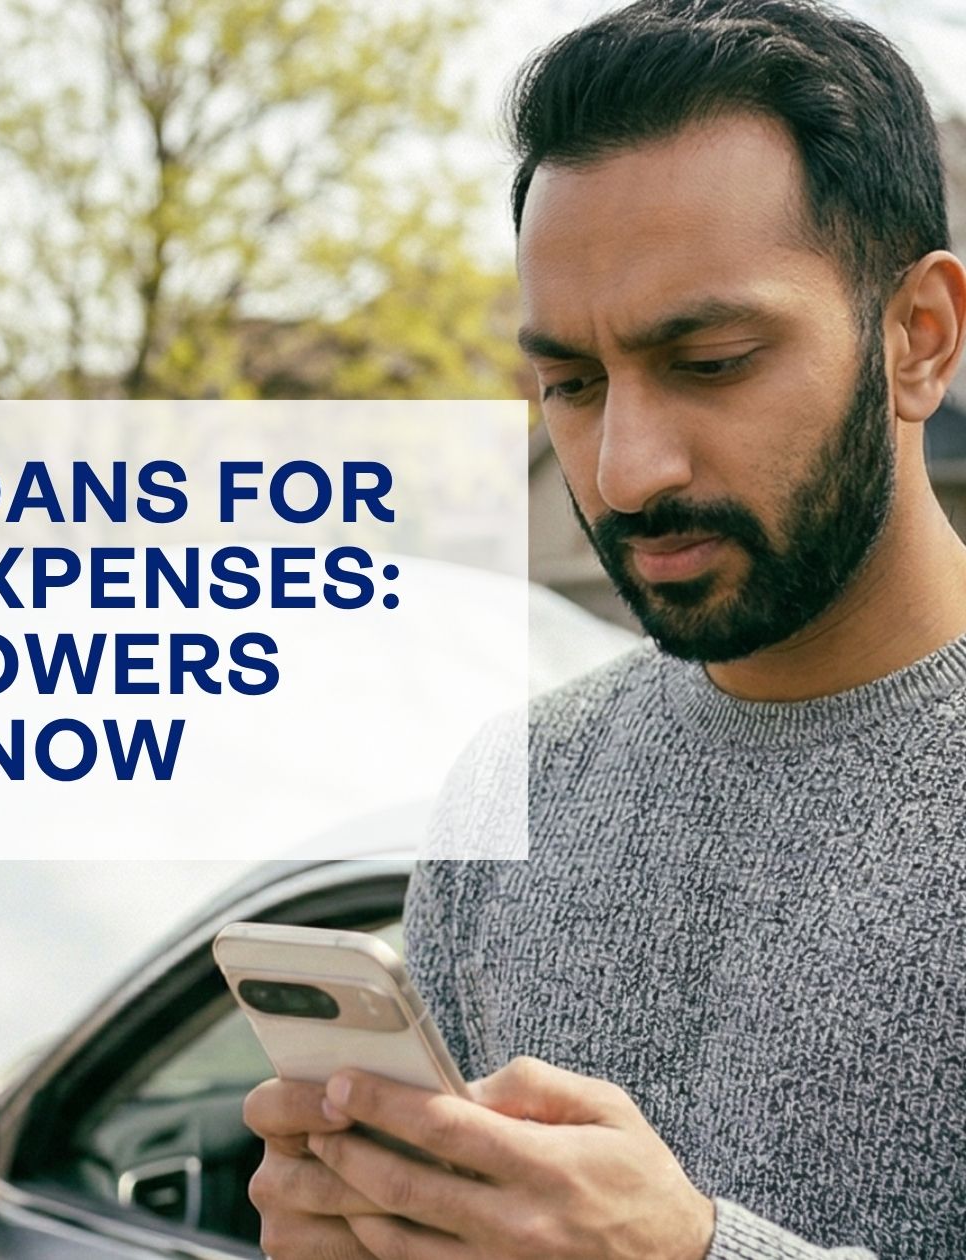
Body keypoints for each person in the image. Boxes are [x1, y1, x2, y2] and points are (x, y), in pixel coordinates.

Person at [242, 1, 966, 1256]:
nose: (623, 471)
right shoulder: (513, 782)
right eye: (568, 387)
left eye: (712, 359)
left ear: (917, 339)